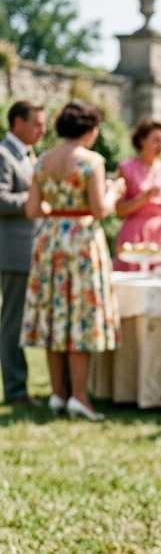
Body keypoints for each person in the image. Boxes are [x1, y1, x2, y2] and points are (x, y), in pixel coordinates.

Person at [21, 100, 122, 422]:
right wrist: (115, 191)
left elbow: (32, 210)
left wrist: (59, 213)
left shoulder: (44, 160)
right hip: (80, 241)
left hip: (50, 241)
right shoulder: (91, 161)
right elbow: (100, 210)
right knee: (80, 315)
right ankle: (79, 396)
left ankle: (56, 394)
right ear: (89, 129)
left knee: (54, 316)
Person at [0, 100, 46, 407]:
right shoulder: (3, 155)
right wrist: (33, 202)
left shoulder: (29, 155)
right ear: (18, 122)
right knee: (13, 323)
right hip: (14, 252)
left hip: (34, 249)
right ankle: (16, 390)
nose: (42, 130)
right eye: (37, 124)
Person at [114, 119, 161, 271]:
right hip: (134, 234)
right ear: (142, 140)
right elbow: (118, 210)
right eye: (156, 140)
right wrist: (145, 197)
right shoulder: (126, 167)